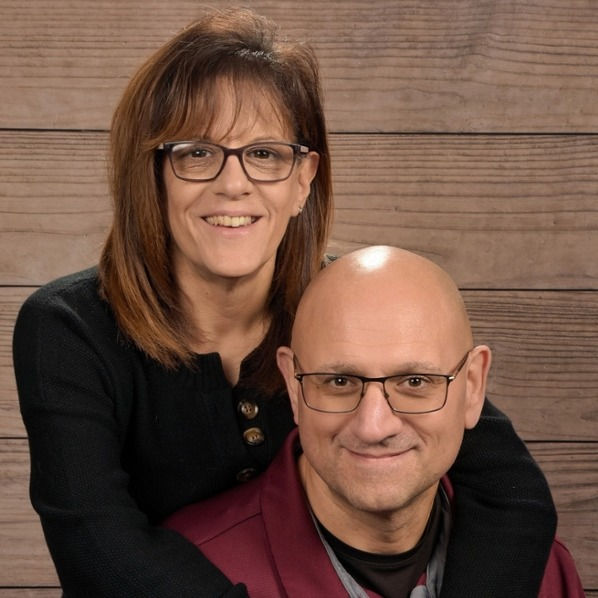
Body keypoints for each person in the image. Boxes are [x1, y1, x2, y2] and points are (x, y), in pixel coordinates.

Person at [12, 7, 556, 598]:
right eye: (197, 153)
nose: (233, 183)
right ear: (154, 174)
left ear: (304, 180)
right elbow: (99, 550)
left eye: (266, 154)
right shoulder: (68, 329)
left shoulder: (344, 305)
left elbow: (513, 495)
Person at [165, 245, 584, 598]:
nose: (373, 427)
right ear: (293, 386)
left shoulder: (543, 573)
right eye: (339, 381)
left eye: (415, 382)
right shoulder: (189, 570)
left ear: (473, 387)